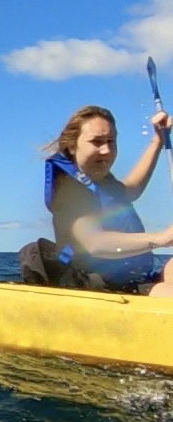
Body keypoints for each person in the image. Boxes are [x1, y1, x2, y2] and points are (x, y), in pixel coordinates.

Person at [43, 104, 173, 296]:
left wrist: (157, 141)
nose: (106, 150)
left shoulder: (102, 180)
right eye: (96, 142)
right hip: (99, 287)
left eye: (111, 141)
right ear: (71, 145)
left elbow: (130, 190)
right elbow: (94, 242)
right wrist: (160, 238)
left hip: (134, 278)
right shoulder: (68, 187)